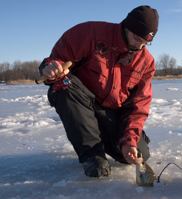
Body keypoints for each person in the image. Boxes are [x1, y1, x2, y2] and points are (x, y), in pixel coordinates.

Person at [38, 5, 159, 178]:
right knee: (64, 84)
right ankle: (92, 154)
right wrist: (51, 68)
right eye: (136, 37)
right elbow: (56, 60)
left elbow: (138, 107)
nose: (139, 45)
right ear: (127, 27)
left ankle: (122, 141)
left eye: (145, 42)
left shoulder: (146, 62)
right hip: (81, 102)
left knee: (139, 154)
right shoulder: (91, 33)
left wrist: (129, 141)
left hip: (110, 113)